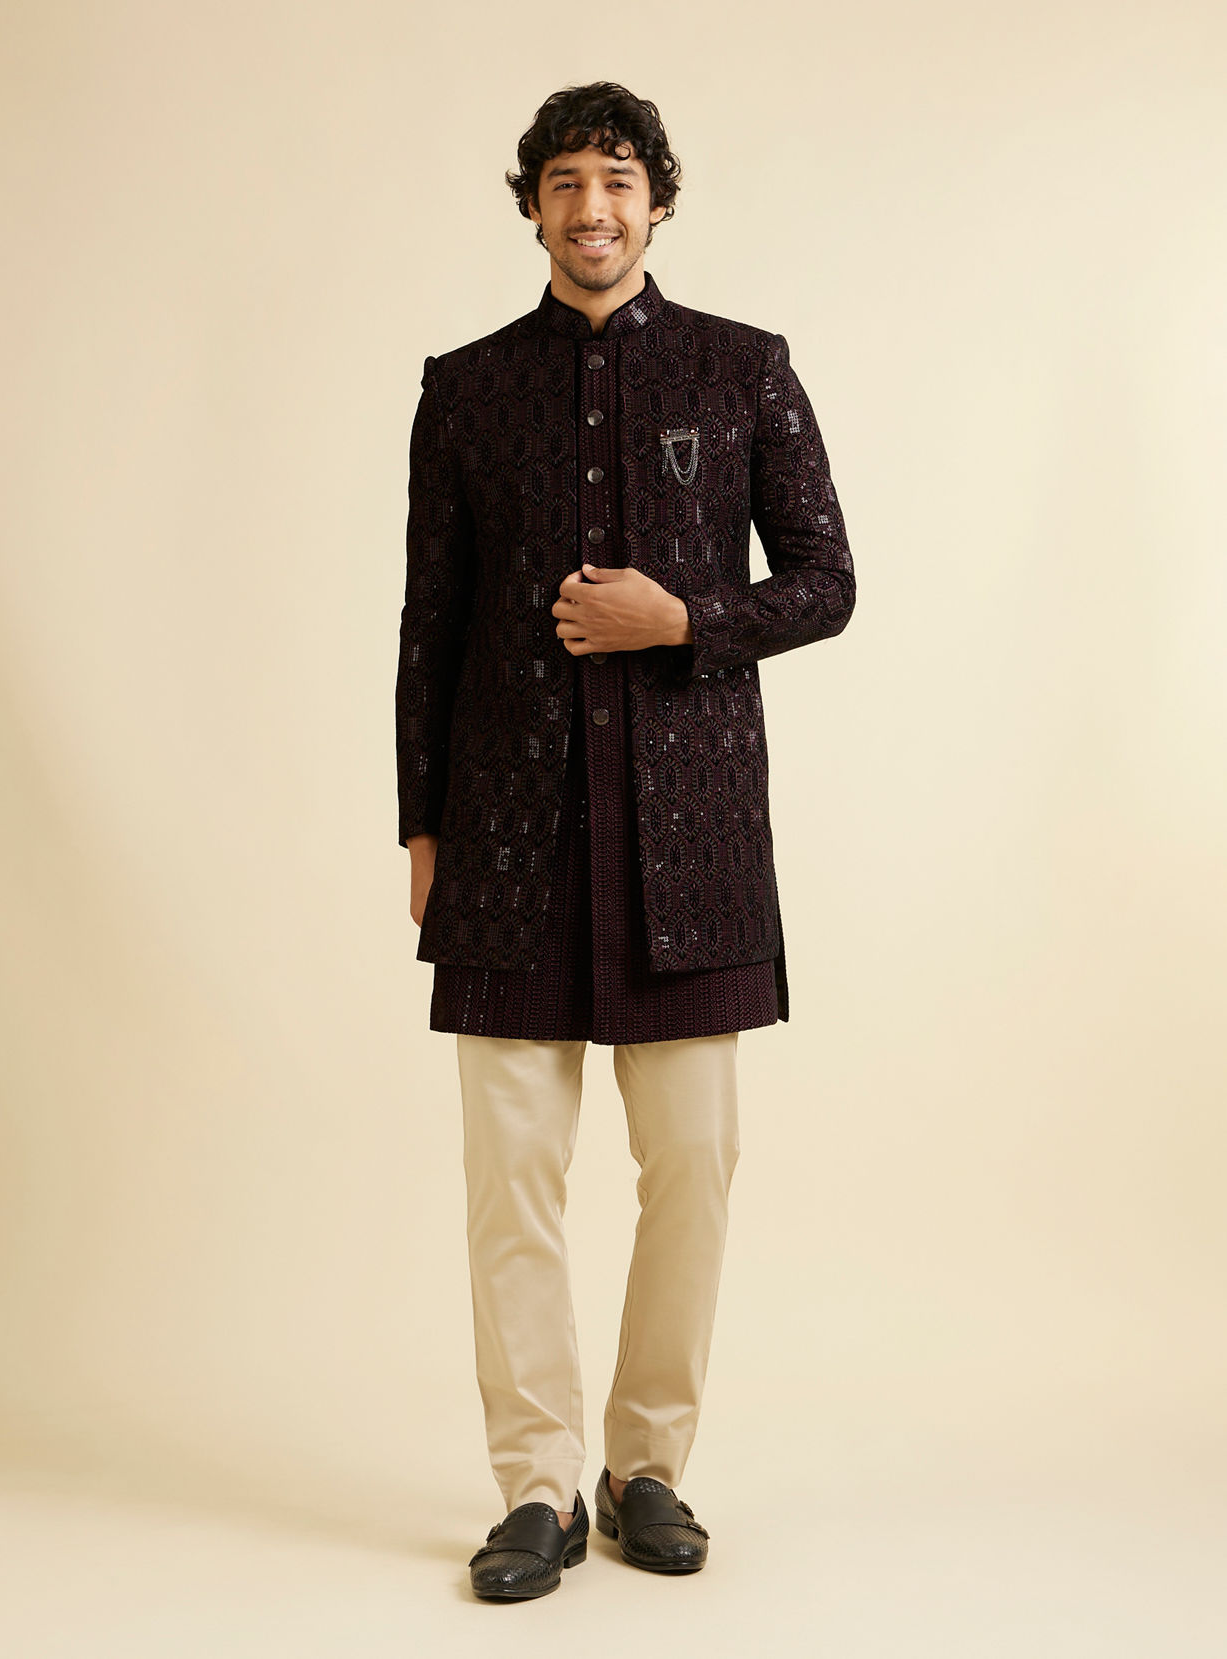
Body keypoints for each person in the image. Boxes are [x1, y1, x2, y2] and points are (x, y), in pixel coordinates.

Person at [395, 80, 855, 1601]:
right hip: (508, 837)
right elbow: (430, 621)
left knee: (697, 1165)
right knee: (511, 1179)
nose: (591, 209)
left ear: (658, 199)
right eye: (564, 184)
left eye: (616, 180)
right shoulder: (465, 390)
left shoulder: (744, 369)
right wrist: (421, 822)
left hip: (691, 840)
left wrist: (685, 620)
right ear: (532, 205)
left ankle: (644, 1466)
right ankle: (534, 1487)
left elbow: (828, 580)